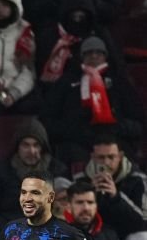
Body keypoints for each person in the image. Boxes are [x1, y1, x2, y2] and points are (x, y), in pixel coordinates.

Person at [41, 38, 143, 169]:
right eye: (89, 53)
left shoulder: (119, 82)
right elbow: (48, 120)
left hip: (115, 140)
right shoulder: (66, 82)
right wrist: (73, 130)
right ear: (82, 57)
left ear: (105, 56)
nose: (94, 56)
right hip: (77, 142)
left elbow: (138, 122)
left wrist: (117, 126)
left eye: (98, 52)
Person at [0, 118, 67, 239]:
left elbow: (65, 207)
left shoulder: (57, 170)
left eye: (36, 145)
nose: (32, 151)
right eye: (26, 145)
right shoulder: (0, 172)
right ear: (17, 147)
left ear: (43, 147)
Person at [75, 136, 147, 240]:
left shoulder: (137, 180)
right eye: (101, 158)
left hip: (127, 236)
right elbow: (75, 218)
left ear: (120, 156)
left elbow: (142, 222)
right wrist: (91, 194)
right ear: (93, 157)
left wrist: (116, 197)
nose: (106, 163)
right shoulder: (81, 180)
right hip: (95, 236)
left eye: (111, 157)